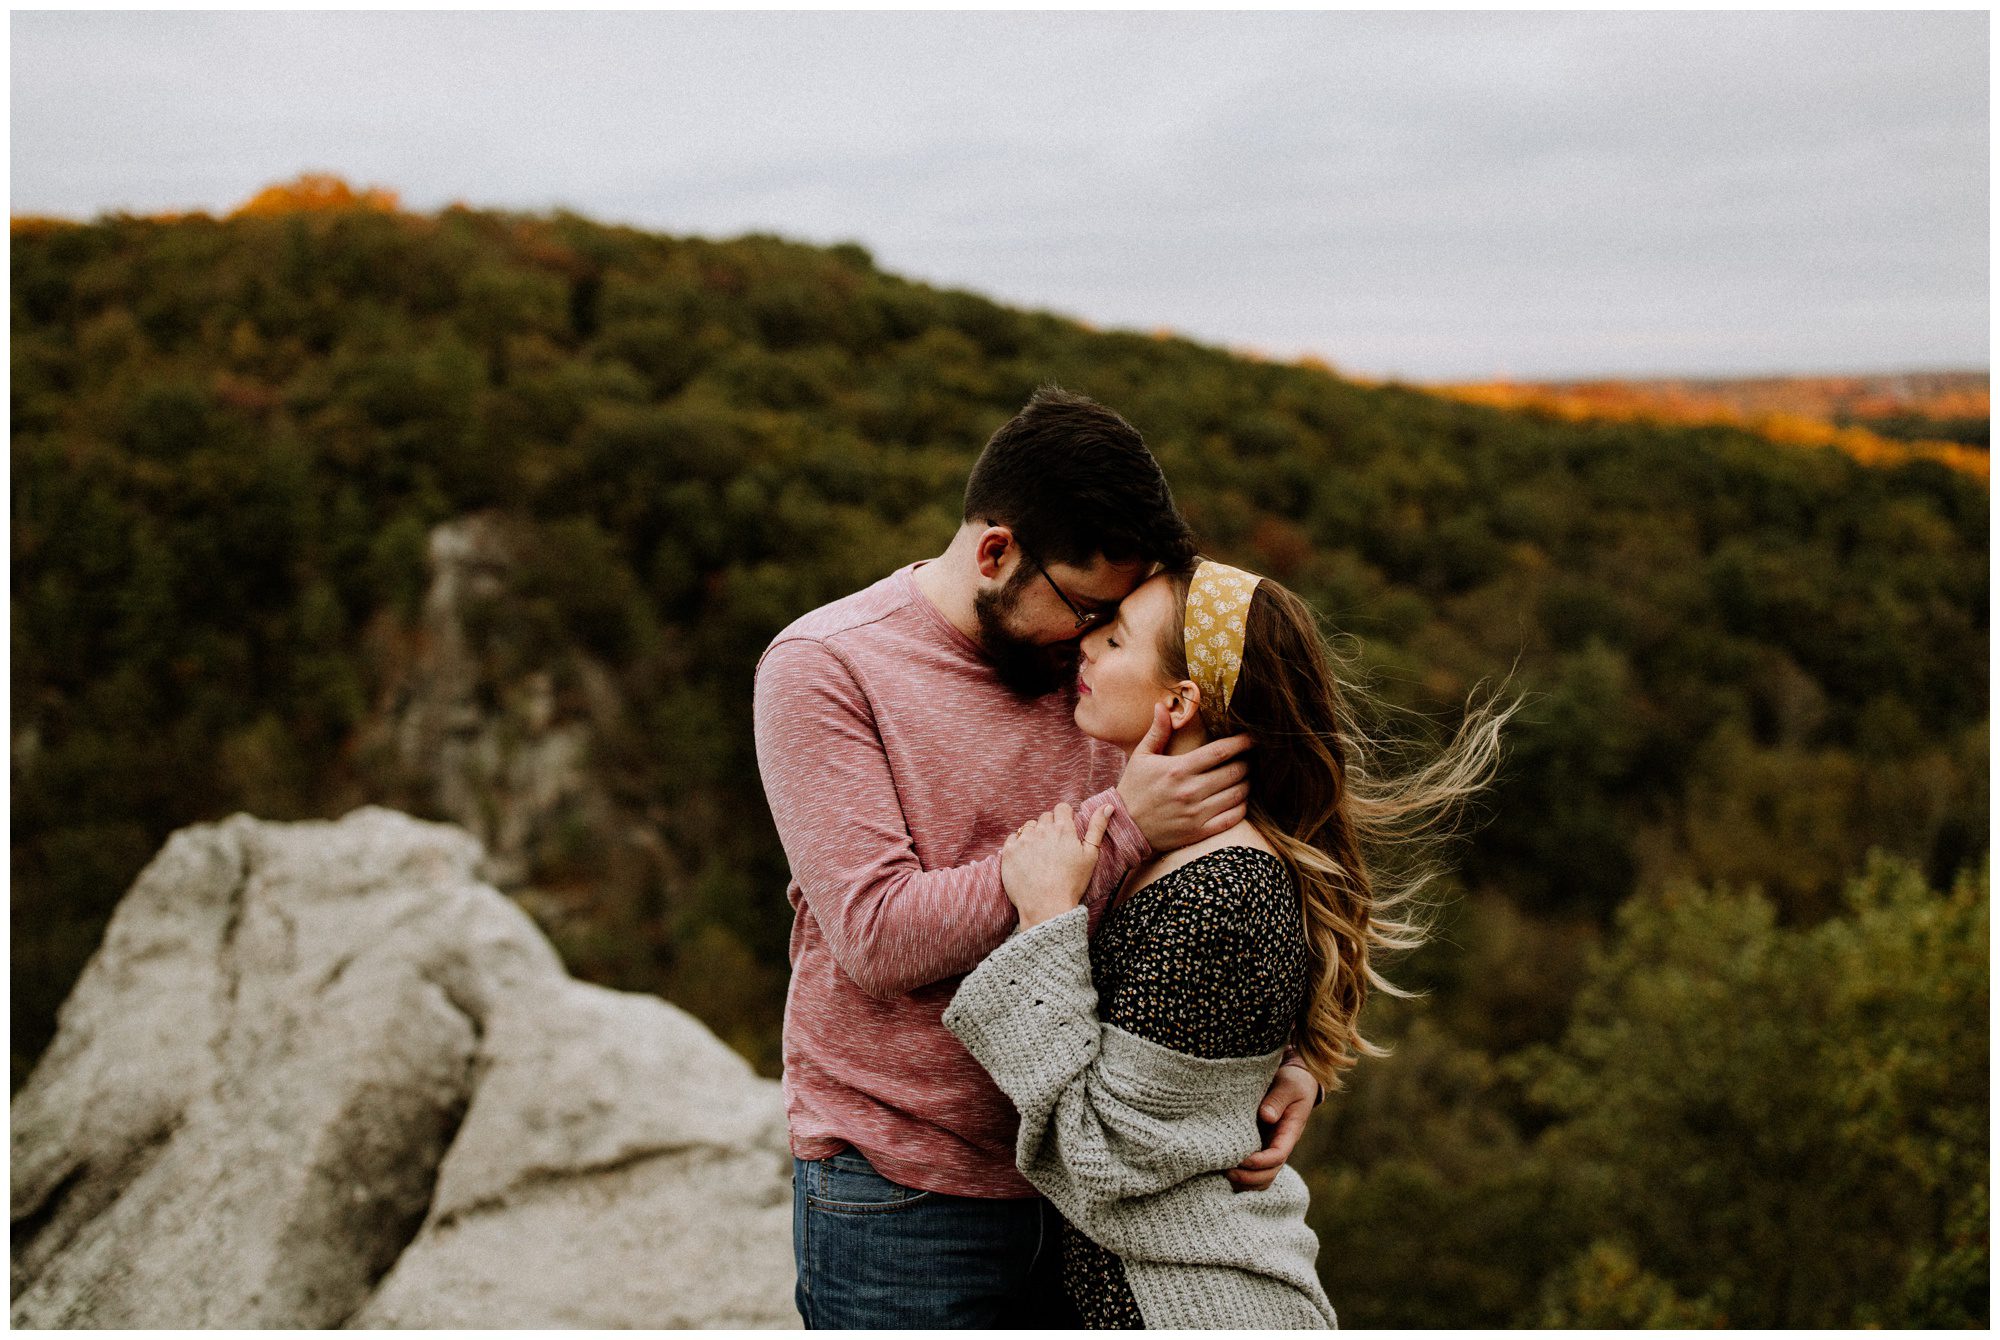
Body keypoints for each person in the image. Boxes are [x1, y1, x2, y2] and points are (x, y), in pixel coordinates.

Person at [752, 388, 1326, 1329]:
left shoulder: (1099, 669)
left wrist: (1281, 1051)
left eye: (1118, 620)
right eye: (1087, 609)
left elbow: (1254, 852)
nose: (1094, 643)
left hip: (1094, 1188)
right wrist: (1128, 822)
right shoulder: (825, 668)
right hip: (907, 1191)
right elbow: (877, 938)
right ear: (995, 553)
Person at [943, 558, 1515, 1328]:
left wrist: (1047, 923)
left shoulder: (1222, 895)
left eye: (1113, 641)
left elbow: (1103, 1159)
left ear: (1179, 702)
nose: (1084, 646)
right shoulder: (1176, 858)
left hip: (1192, 1307)